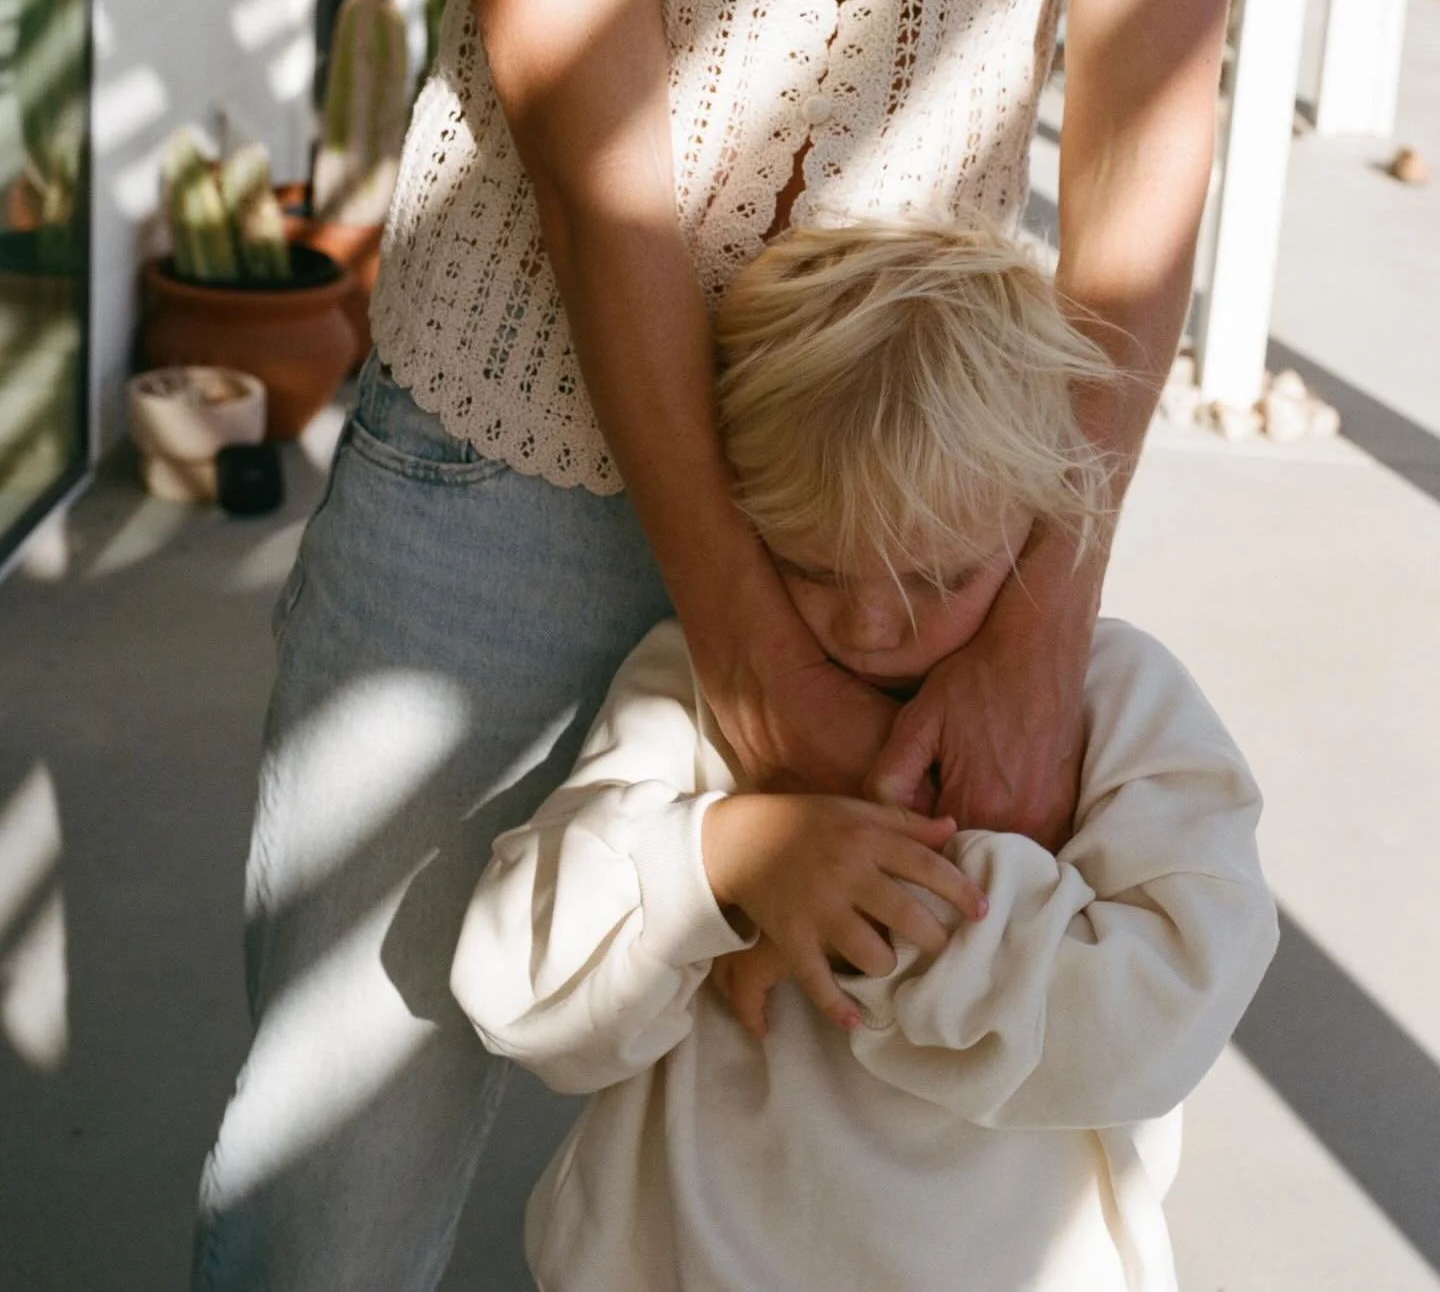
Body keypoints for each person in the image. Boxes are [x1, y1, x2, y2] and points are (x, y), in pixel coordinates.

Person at [193, 0, 1248, 1285]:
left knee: (842, 1153)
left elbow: (1139, 167)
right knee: (327, 1179)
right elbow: (602, 168)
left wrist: (1038, 612)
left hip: (894, 512)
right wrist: (746, 635)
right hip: (492, 476)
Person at [450, 217, 1280, 1292]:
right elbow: (520, 992)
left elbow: (1166, 1015)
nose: (873, 626)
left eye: (937, 577)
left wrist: (873, 920)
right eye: (809, 564)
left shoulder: (1116, 704)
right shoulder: (703, 692)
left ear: (1042, 514)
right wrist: (727, 857)